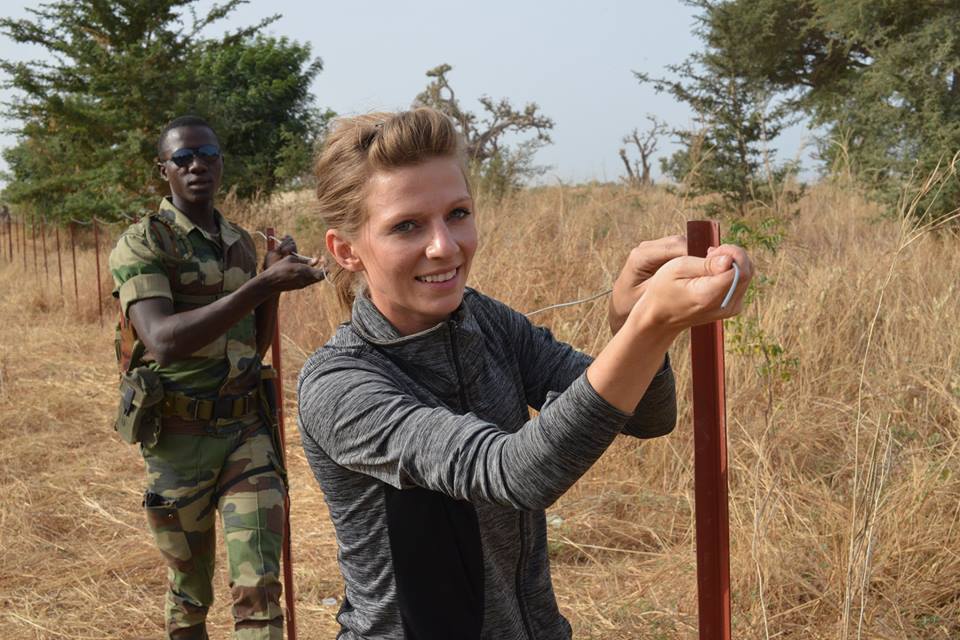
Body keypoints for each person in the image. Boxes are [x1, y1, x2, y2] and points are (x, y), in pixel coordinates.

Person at [296, 107, 752, 639]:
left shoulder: (485, 322)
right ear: (346, 250)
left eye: (458, 213)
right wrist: (647, 329)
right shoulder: (340, 384)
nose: (444, 245)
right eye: (406, 226)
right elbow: (513, 473)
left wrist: (629, 319)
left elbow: (648, 416)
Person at [108, 115, 325, 639]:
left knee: (260, 588)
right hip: (178, 442)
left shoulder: (238, 243)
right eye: (182, 158)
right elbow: (161, 338)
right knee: (191, 592)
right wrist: (262, 284)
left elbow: (251, 340)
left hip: (245, 434)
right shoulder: (143, 243)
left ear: (221, 163)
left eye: (207, 154)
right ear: (165, 171)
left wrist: (270, 278)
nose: (196, 164)